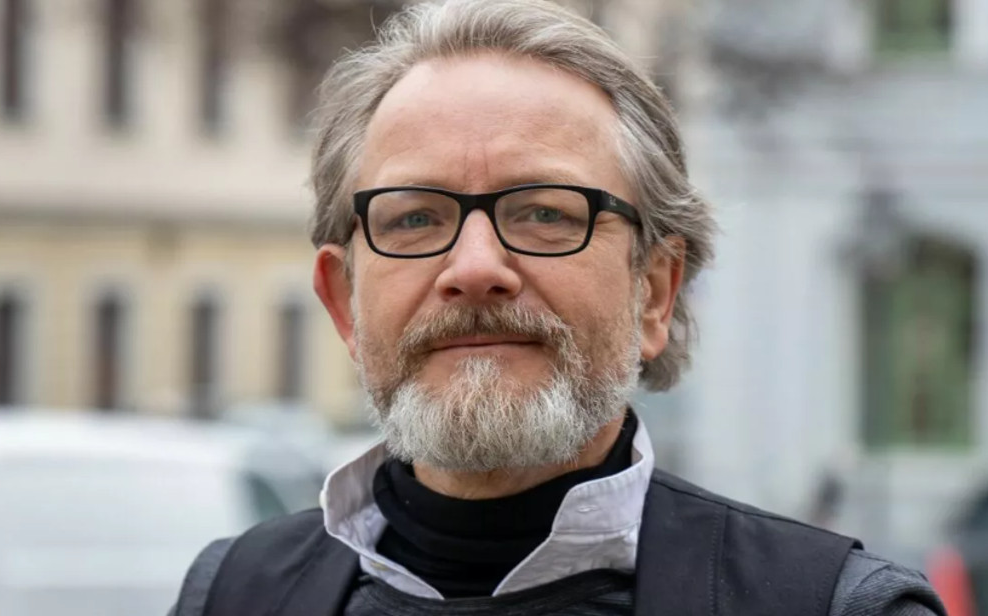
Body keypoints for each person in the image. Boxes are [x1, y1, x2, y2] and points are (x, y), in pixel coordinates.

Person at [169, 1, 947, 614]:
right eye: (415, 218)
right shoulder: (233, 595)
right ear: (344, 303)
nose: (475, 269)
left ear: (654, 291)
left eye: (545, 212)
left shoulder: (834, 607)